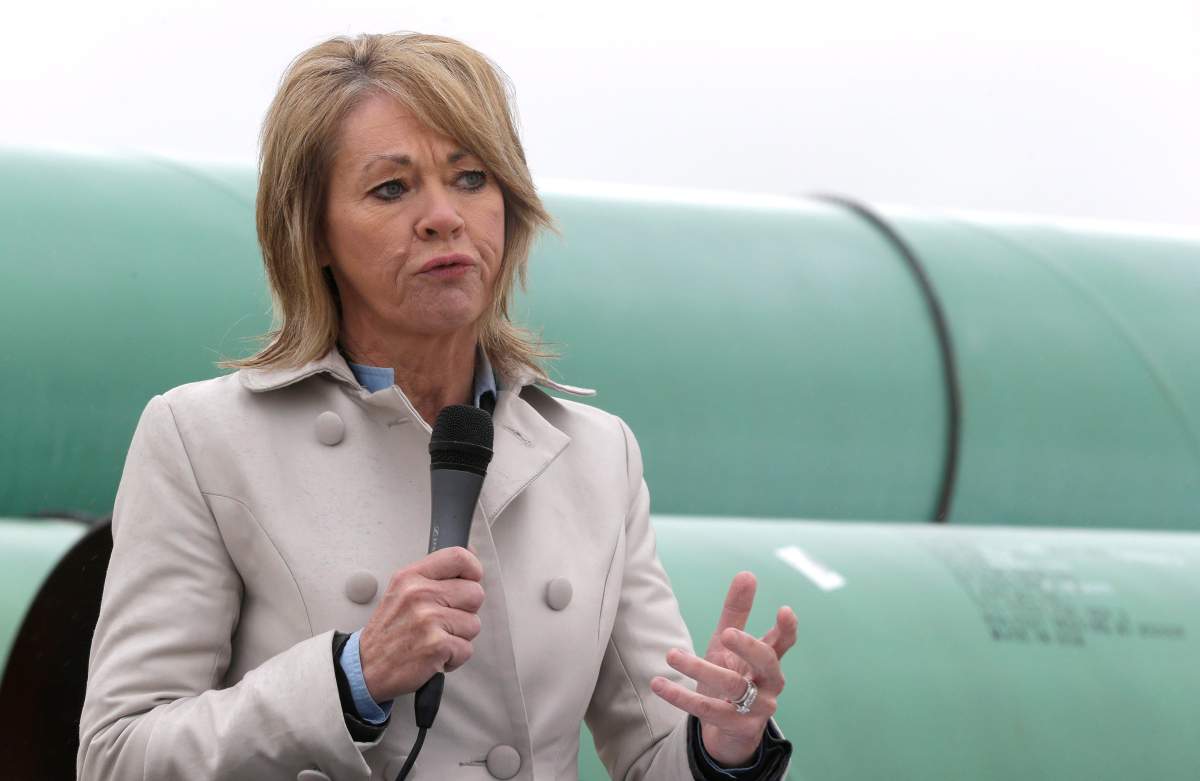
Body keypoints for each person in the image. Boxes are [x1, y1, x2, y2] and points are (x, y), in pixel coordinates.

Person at [77, 32, 796, 780]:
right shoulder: (201, 440)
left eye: (471, 177)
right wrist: (354, 676)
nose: (443, 216)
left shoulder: (596, 452)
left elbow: (649, 751)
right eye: (392, 188)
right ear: (313, 231)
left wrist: (724, 743)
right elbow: (117, 755)